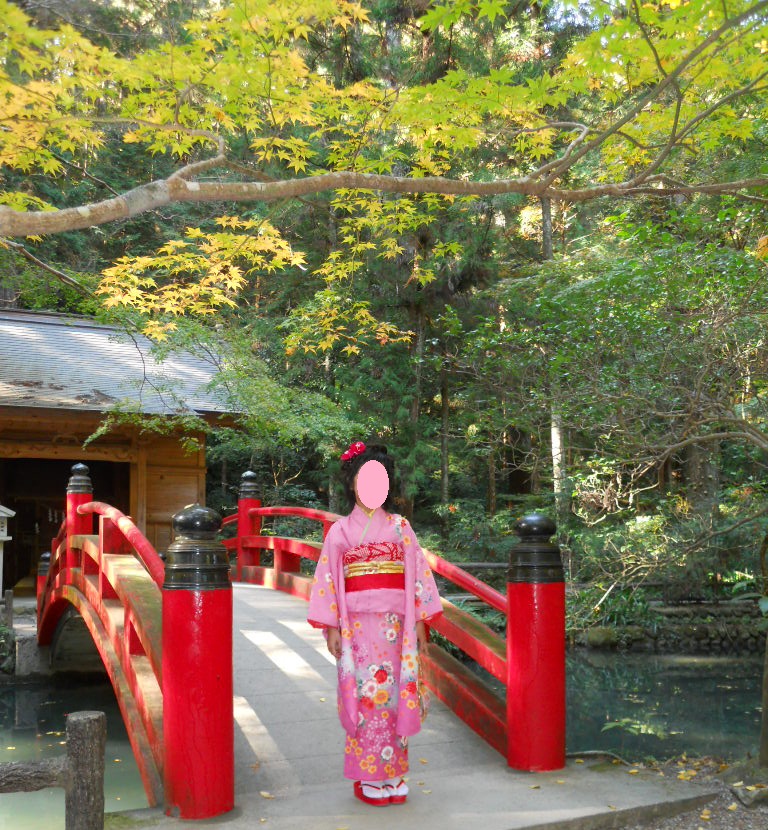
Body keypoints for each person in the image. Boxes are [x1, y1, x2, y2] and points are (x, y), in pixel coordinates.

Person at [307, 441, 442, 806]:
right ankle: (370, 775)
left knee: (396, 696)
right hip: (357, 631)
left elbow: (417, 576)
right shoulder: (340, 533)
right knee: (366, 698)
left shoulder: (401, 528)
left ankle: (394, 774)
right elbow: (328, 580)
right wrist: (332, 627)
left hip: (397, 627)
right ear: (353, 484)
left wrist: (420, 623)